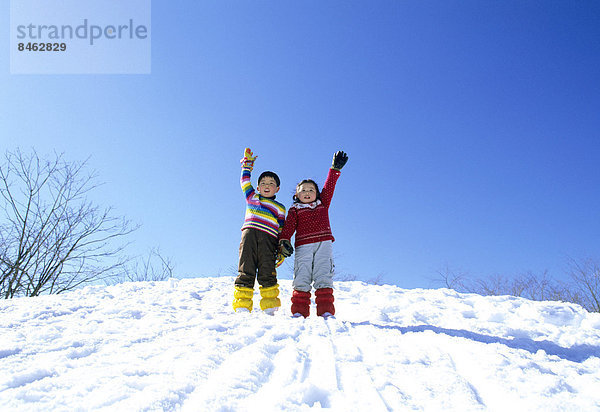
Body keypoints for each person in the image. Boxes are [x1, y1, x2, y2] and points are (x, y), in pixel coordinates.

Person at [278, 151, 348, 318]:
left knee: (324, 275)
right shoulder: (295, 210)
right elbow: (288, 227)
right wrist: (284, 240)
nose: (307, 192)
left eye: (311, 189)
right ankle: (299, 312)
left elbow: (329, 186)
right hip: (303, 246)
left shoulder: (322, 204)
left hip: (324, 243)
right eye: (303, 190)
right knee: (302, 276)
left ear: (317, 193)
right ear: (297, 195)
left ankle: (325, 311)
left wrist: (334, 169)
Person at [232, 148, 286, 314]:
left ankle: (270, 307)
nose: (267, 186)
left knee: (267, 271)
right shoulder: (252, 197)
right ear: (258, 187)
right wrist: (247, 166)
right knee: (245, 268)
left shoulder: (280, 208)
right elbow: (244, 182)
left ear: (277, 189)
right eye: (263, 183)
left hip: (269, 241)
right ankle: (242, 304)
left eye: (271, 184)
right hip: (249, 236)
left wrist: (281, 249)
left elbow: (282, 229)